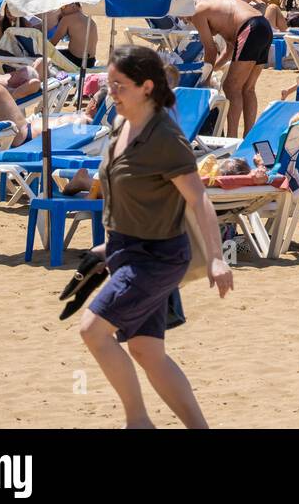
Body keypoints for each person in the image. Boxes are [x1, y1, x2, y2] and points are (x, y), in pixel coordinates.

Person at [77, 46, 232, 429]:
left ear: (146, 87)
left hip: (156, 258)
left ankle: (138, 422)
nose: (110, 92)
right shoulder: (120, 125)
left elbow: (198, 199)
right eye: (109, 83)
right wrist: (108, 244)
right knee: (147, 350)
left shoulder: (165, 137)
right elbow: (125, 192)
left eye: (119, 85)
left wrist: (216, 257)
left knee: (93, 331)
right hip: (127, 252)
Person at [188, 0, 273, 137]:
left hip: (250, 28)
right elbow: (229, 50)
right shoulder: (214, 7)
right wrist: (213, 69)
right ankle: (248, 136)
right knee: (248, 88)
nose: (188, 22)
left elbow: (211, 49)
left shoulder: (196, 11)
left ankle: (231, 137)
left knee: (230, 86)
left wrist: (205, 80)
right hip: (264, 26)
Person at [51, 2, 99, 68]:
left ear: (73, 6)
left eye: (63, 6)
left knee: (48, 54)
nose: (61, 10)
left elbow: (53, 43)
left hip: (76, 61)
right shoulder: (90, 20)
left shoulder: (67, 19)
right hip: (91, 61)